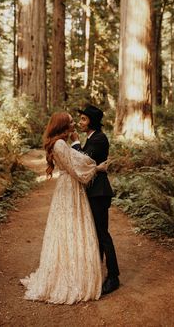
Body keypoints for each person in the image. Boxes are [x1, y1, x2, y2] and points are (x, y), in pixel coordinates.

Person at [20, 112, 108, 304]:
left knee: (68, 229)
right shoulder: (59, 145)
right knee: (70, 228)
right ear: (62, 126)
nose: (74, 123)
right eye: (70, 122)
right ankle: (70, 277)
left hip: (67, 187)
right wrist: (97, 169)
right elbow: (76, 166)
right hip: (70, 188)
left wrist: (76, 145)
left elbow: (76, 159)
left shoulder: (59, 144)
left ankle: (72, 270)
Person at [71, 105, 120, 295]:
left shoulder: (99, 138)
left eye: (83, 119)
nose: (80, 122)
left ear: (91, 120)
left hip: (99, 192)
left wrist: (75, 143)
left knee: (103, 233)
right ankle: (97, 270)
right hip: (92, 191)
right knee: (95, 233)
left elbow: (82, 160)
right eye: (80, 119)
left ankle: (114, 276)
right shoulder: (91, 138)